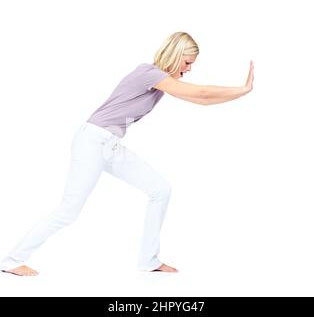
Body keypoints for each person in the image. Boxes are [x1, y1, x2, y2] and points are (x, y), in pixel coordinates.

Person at [0, 32, 254, 276]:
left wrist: (241, 92)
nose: (188, 69)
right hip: (93, 140)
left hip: (109, 144)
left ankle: (148, 261)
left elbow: (201, 100)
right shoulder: (148, 73)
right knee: (69, 210)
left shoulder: (161, 83)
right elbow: (201, 93)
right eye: (187, 63)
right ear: (176, 55)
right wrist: (242, 89)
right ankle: (12, 261)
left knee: (160, 190)